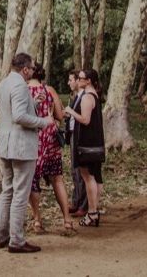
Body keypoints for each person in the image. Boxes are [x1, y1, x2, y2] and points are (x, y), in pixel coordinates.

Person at [0, 52, 54, 254]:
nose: (33, 71)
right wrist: (44, 122)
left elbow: (9, 112)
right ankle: (17, 241)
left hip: (5, 144)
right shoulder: (20, 84)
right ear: (25, 69)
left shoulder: (4, 83)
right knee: (20, 193)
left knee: (7, 190)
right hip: (20, 146)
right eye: (32, 68)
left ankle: (1, 236)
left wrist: (34, 103)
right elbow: (19, 116)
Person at [26, 63, 74, 235]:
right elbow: (60, 116)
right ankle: (67, 221)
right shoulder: (49, 90)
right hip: (51, 139)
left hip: (32, 139)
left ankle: (37, 219)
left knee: (33, 179)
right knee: (57, 179)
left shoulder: (24, 91)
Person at [64, 68, 105, 228]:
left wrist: (71, 111)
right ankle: (94, 210)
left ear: (88, 81)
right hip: (95, 142)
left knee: (88, 177)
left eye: (81, 78)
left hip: (87, 143)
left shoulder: (87, 97)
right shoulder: (95, 94)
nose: (78, 80)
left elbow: (85, 120)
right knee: (95, 177)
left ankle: (92, 212)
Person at [66, 70, 88, 216]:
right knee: (74, 170)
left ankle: (83, 205)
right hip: (73, 134)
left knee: (81, 171)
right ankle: (76, 201)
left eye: (71, 80)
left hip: (81, 137)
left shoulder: (85, 97)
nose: (69, 83)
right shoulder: (75, 97)